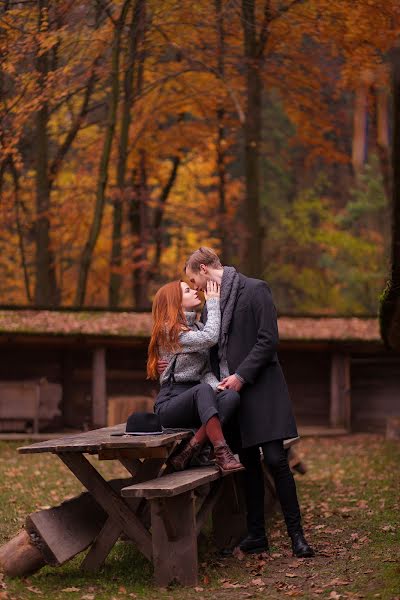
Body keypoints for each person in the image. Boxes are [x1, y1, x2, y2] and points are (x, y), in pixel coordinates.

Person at [183, 247, 314, 559]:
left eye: (192, 279)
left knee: (275, 460)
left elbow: (268, 339)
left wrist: (241, 376)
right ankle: (257, 535)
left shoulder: (256, 289)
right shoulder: (210, 306)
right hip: (230, 397)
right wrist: (171, 362)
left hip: (261, 388)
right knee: (247, 466)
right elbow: (203, 346)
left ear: (203, 269)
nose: (195, 288)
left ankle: (297, 535)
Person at [147, 278, 243, 473]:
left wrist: (218, 387)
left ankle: (190, 449)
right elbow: (210, 337)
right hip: (171, 402)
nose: (194, 292)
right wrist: (214, 301)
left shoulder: (197, 328)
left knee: (230, 396)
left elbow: (205, 370)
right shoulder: (169, 330)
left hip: (199, 399)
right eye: (187, 290)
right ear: (175, 300)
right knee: (203, 390)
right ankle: (221, 452)